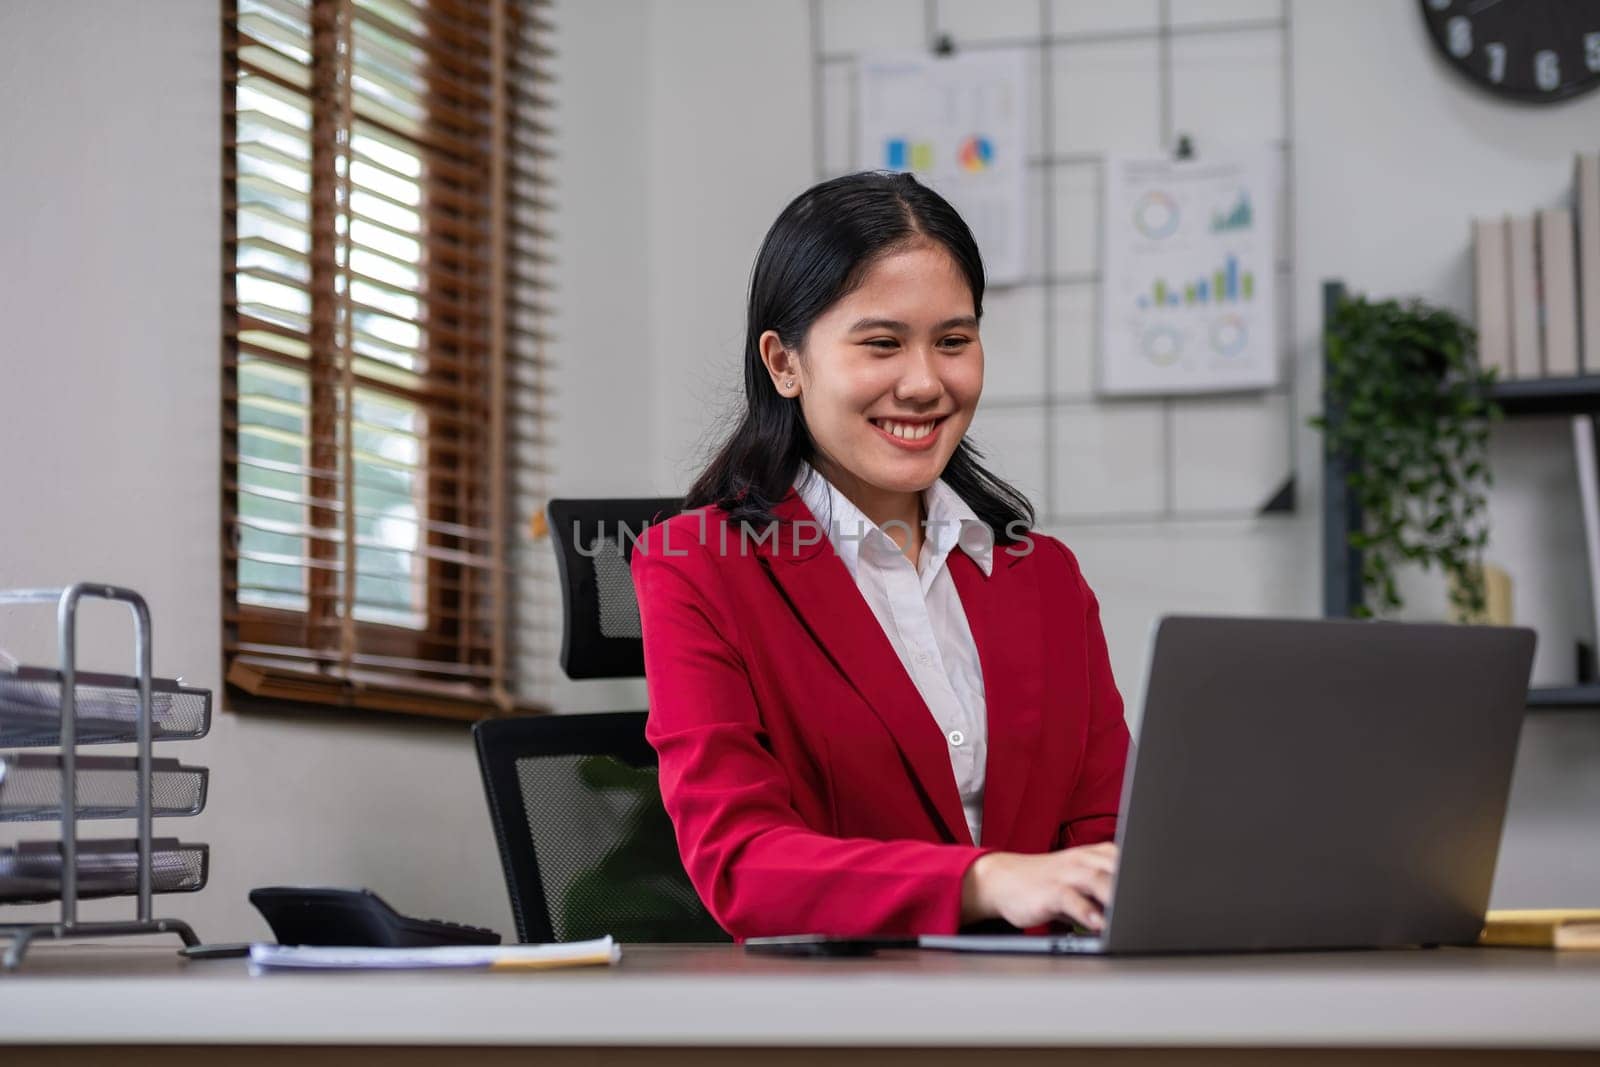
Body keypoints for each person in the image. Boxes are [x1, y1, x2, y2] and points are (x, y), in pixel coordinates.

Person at [629, 170, 1130, 940]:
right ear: (785, 364)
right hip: (844, 1017)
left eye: (954, 342)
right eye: (882, 344)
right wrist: (986, 879)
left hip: (1048, 1009)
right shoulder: (698, 566)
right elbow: (742, 862)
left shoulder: (1043, 575)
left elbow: (1107, 832)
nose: (926, 383)